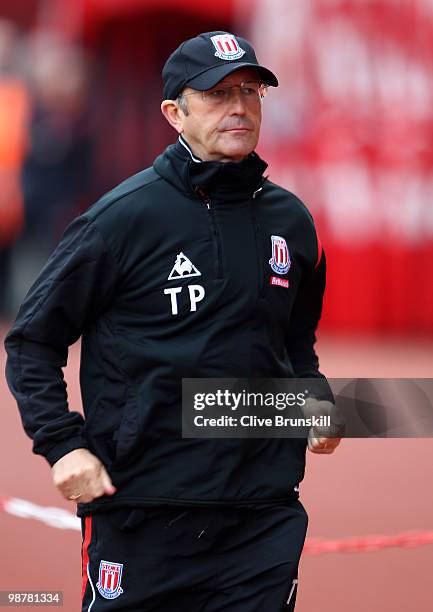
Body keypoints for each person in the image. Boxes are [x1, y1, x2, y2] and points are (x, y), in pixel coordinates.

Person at [4, 31, 341, 611]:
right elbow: (33, 340)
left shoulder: (292, 221)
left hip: (262, 516)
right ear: (174, 113)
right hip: (143, 512)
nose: (239, 108)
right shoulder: (121, 219)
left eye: (250, 92)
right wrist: (62, 445)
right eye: (217, 94)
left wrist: (312, 400)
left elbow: (293, 341)